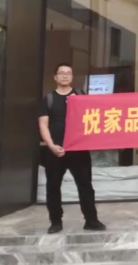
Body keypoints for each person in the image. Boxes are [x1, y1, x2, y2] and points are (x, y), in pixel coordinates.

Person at [38, 63, 105, 234]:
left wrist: (79, 104)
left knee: (85, 185)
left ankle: (91, 220)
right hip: (55, 150)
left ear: (72, 77)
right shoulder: (48, 99)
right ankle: (55, 221)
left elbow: (93, 118)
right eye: (61, 73)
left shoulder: (81, 96)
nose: (65, 76)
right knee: (53, 187)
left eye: (68, 73)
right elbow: (43, 125)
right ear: (55, 77)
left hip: (79, 150)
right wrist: (51, 145)